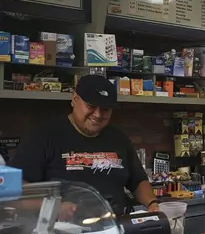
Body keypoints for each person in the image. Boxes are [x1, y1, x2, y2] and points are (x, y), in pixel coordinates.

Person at [10, 75, 159, 217]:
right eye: (91, 106)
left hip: (113, 232)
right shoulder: (43, 137)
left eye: (105, 109)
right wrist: (54, 207)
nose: (98, 114)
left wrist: (152, 204)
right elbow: (15, 192)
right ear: (74, 100)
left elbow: (138, 181)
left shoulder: (119, 139)